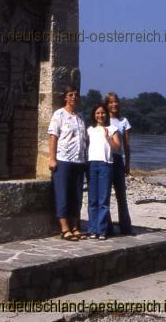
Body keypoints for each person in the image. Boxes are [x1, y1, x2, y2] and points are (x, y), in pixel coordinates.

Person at [48, 85, 87, 241]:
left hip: (79, 161)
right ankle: (65, 229)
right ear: (65, 97)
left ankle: (76, 226)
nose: (73, 97)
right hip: (63, 160)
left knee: (77, 196)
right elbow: (53, 136)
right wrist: (52, 158)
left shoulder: (81, 117)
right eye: (70, 95)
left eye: (76, 95)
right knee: (63, 194)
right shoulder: (59, 115)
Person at [87, 103, 120, 240]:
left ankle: (102, 230)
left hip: (106, 165)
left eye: (102, 113)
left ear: (106, 114)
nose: (100, 115)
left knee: (103, 200)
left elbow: (117, 147)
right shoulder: (89, 129)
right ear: (94, 115)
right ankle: (92, 230)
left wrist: (108, 138)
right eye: (97, 113)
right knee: (92, 200)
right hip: (91, 164)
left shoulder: (112, 129)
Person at [105, 92, 133, 235]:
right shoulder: (103, 120)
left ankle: (126, 227)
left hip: (118, 161)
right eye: (110, 102)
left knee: (121, 196)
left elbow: (126, 146)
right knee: (105, 195)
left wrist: (127, 163)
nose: (114, 104)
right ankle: (108, 227)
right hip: (105, 160)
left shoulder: (123, 121)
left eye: (115, 102)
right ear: (107, 104)